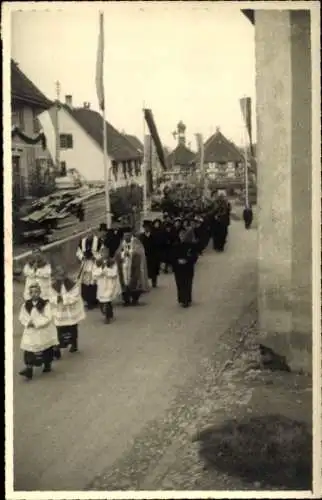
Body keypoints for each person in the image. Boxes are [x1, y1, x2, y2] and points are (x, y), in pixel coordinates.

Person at [18, 282, 58, 380]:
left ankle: (47, 364)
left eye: (36, 292)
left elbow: (48, 317)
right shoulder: (26, 305)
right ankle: (29, 368)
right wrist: (28, 323)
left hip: (42, 330)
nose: (34, 294)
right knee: (28, 349)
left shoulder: (44, 304)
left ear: (39, 292)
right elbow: (22, 316)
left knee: (45, 348)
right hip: (31, 331)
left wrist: (37, 323)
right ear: (30, 294)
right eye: (32, 292)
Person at [50, 265, 85, 357]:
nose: (60, 277)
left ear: (65, 275)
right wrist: (57, 299)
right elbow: (50, 297)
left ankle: (74, 343)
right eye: (58, 275)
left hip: (70, 312)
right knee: (58, 330)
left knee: (72, 328)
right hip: (59, 312)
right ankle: (57, 348)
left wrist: (64, 298)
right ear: (55, 276)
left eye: (62, 274)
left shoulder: (72, 284)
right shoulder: (52, 286)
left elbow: (75, 296)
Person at [115, 227, 149, 306]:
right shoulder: (122, 243)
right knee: (123, 283)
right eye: (125, 236)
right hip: (124, 267)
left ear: (131, 235)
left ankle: (135, 299)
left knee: (135, 282)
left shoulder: (136, 241)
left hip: (134, 266)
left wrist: (130, 253)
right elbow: (117, 253)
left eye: (128, 235)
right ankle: (126, 299)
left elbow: (140, 252)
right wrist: (123, 254)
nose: (126, 237)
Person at [76, 227, 104, 309]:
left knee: (94, 281)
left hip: (94, 263)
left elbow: (102, 252)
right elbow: (78, 252)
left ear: (93, 233)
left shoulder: (98, 241)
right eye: (87, 233)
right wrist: (82, 257)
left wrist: (96, 257)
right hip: (85, 264)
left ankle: (95, 300)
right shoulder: (82, 241)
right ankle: (88, 301)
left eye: (91, 233)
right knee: (85, 282)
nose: (89, 235)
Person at [171, 227, 199, 308]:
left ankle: (187, 299)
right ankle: (182, 299)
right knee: (180, 283)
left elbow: (195, 256)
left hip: (188, 268)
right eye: (180, 235)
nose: (182, 236)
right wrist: (177, 261)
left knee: (188, 283)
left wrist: (187, 260)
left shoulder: (190, 246)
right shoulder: (176, 245)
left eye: (183, 234)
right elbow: (172, 256)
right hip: (178, 268)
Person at [92, 247, 121, 323]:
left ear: (108, 254)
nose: (104, 254)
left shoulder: (112, 262)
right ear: (101, 254)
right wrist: (101, 270)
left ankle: (107, 317)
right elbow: (94, 273)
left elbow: (114, 273)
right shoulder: (97, 262)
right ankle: (108, 312)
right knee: (102, 302)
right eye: (103, 253)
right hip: (101, 284)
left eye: (106, 253)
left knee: (107, 300)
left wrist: (106, 271)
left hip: (109, 283)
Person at [139, 220, 160, 288]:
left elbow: (157, 245)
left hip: (153, 254)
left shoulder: (154, 235)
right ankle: (145, 283)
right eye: (145, 227)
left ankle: (154, 282)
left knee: (153, 269)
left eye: (147, 227)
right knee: (145, 269)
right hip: (145, 255)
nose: (146, 228)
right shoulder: (141, 236)